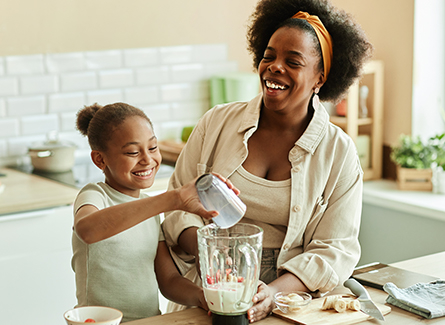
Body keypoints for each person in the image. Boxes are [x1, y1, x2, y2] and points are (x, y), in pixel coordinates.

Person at [162, 0, 373, 322]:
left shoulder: (339, 153)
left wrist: (272, 293)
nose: (274, 67)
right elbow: (177, 202)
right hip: (211, 280)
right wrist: (214, 256)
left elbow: (336, 249)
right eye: (269, 56)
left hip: (292, 294)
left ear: (320, 78)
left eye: (293, 61)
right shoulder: (216, 123)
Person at [71, 102, 239, 322]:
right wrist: (173, 199)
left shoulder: (150, 207)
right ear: (100, 159)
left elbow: (168, 280)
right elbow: (87, 230)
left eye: (152, 148)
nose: (148, 160)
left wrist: (204, 297)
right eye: (132, 152)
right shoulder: (95, 195)